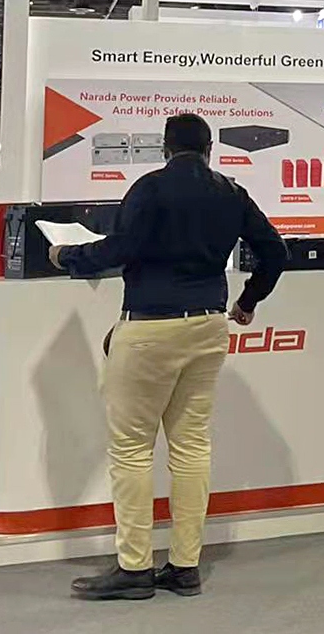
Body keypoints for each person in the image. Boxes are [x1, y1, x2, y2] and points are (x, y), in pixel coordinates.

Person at [49, 113, 287, 601]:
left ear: (165, 148)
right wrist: (248, 301)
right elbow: (275, 252)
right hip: (209, 326)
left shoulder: (149, 188)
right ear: (210, 149)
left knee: (132, 449)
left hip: (150, 328)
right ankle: (184, 566)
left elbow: (120, 249)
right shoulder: (232, 192)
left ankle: (135, 567)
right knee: (192, 446)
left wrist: (66, 256)